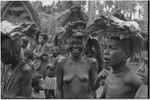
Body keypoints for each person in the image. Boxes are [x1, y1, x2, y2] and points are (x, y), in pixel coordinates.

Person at [56, 21, 100, 99]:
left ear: (84, 44)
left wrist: (98, 81)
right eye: (72, 43)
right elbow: (59, 89)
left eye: (79, 43)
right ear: (68, 43)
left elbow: (93, 89)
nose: (75, 46)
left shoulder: (91, 63)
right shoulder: (61, 63)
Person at [1, 33, 32, 98]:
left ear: (15, 52)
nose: (1, 56)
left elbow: (26, 97)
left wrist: (5, 96)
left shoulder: (25, 70)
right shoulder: (7, 66)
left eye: (3, 52)